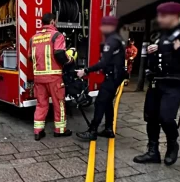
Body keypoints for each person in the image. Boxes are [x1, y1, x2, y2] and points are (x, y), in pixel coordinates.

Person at [133, 2, 180, 166]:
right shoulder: (158, 35)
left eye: (163, 16)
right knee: (151, 117)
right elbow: (153, 60)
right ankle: (152, 152)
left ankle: (172, 144)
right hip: (156, 82)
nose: (160, 19)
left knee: (166, 117)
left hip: (175, 83)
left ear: (174, 16)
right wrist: (152, 55)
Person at [76, 16, 126, 140]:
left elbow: (103, 63)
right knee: (108, 102)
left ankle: (92, 131)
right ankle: (109, 129)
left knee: (100, 103)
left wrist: (85, 70)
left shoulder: (111, 41)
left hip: (111, 78)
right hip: (116, 77)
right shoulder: (117, 39)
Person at [29, 13, 73, 141]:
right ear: (53, 21)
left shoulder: (34, 38)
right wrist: (69, 61)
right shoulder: (57, 35)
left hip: (38, 77)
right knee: (58, 103)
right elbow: (59, 53)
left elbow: (29, 57)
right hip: (54, 77)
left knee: (41, 104)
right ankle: (60, 130)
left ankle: (38, 131)